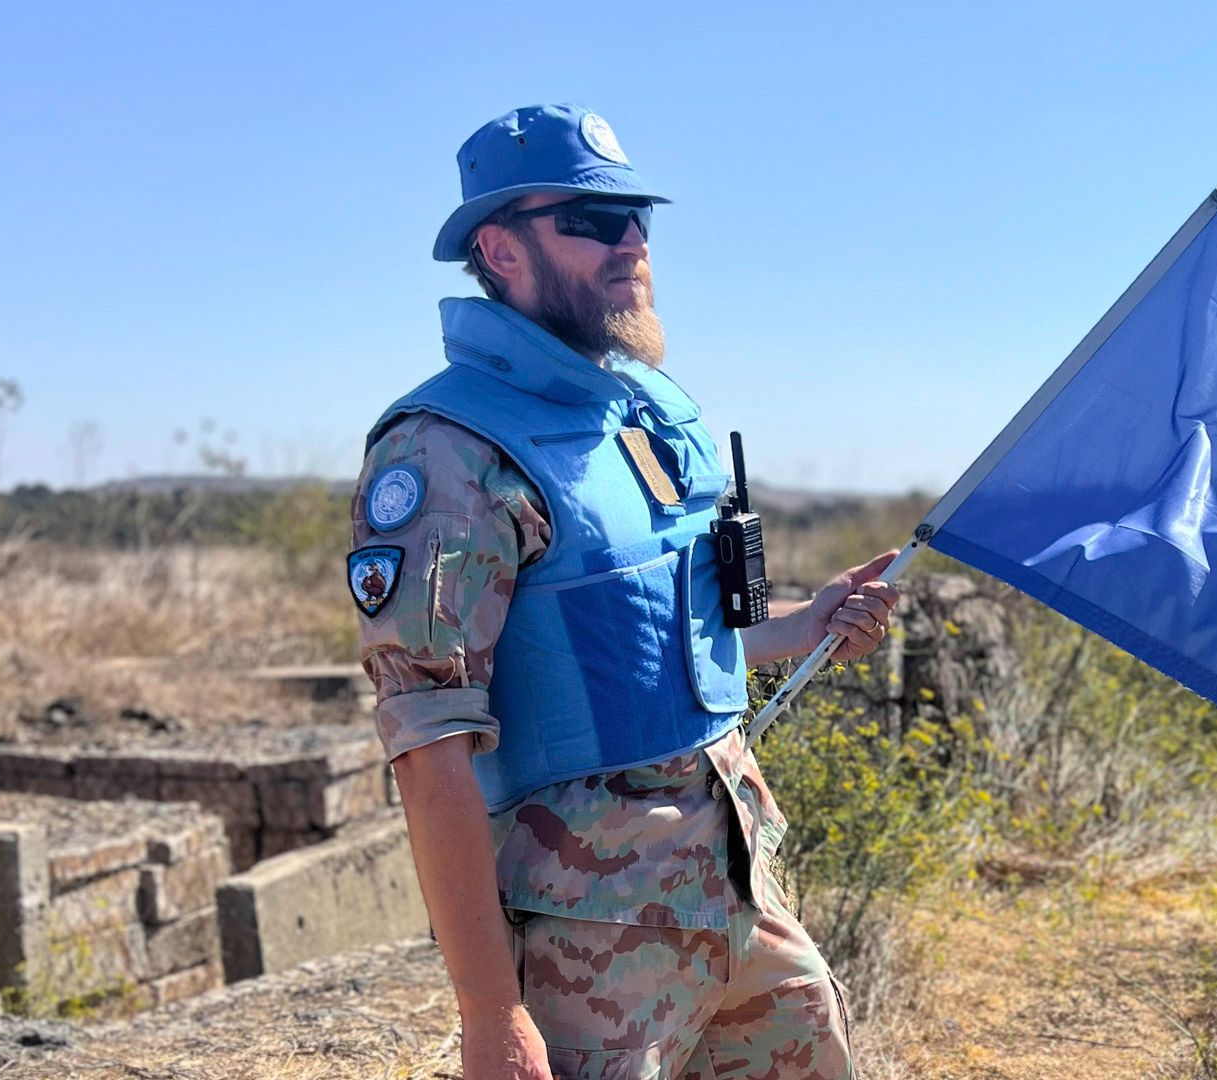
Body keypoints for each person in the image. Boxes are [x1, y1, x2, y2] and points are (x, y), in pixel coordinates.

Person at [349, 103, 897, 1080]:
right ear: (500, 251)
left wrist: (803, 623)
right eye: (593, 221)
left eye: (637, 217)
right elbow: (428, 744)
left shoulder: (643, 413)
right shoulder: (448, 451)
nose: (632, 240)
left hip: (735, 893)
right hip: (585, 937)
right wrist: (489, 1011)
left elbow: (674, 634)